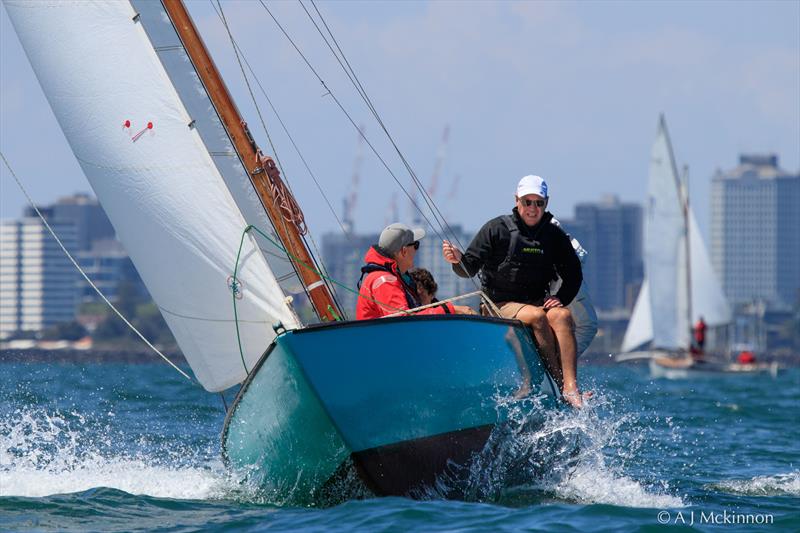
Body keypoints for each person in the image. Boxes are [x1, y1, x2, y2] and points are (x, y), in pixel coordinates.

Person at [442, 175, 587, 407]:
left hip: (536, 303)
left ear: (546, 203)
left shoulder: (554, 237)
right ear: (517, 200)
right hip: (498, 305)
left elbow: (574, 275)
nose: (532, 208)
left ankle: (572, 387)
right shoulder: (496, 229)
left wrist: (560, 298)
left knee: (562, 316)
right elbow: (467, 268)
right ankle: (558, 385)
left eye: (538, 203)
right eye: (527, 202)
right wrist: (456, 260)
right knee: (537, 316)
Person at [357, 223, 474, 320]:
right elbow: (404, 321)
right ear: (403, 251)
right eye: (416, 245)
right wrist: (453, 310)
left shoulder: (393, 277)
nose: (417, 250)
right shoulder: (384, 281)